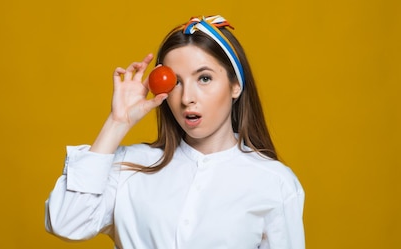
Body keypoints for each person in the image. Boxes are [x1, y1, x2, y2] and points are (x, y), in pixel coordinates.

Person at [45, 15, 305, 249]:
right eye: (176, 82)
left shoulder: (275, 183)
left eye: (204, 78)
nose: (187, 98)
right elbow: (67, 223)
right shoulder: (129, 167)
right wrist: (117, 122)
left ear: (235, 85)